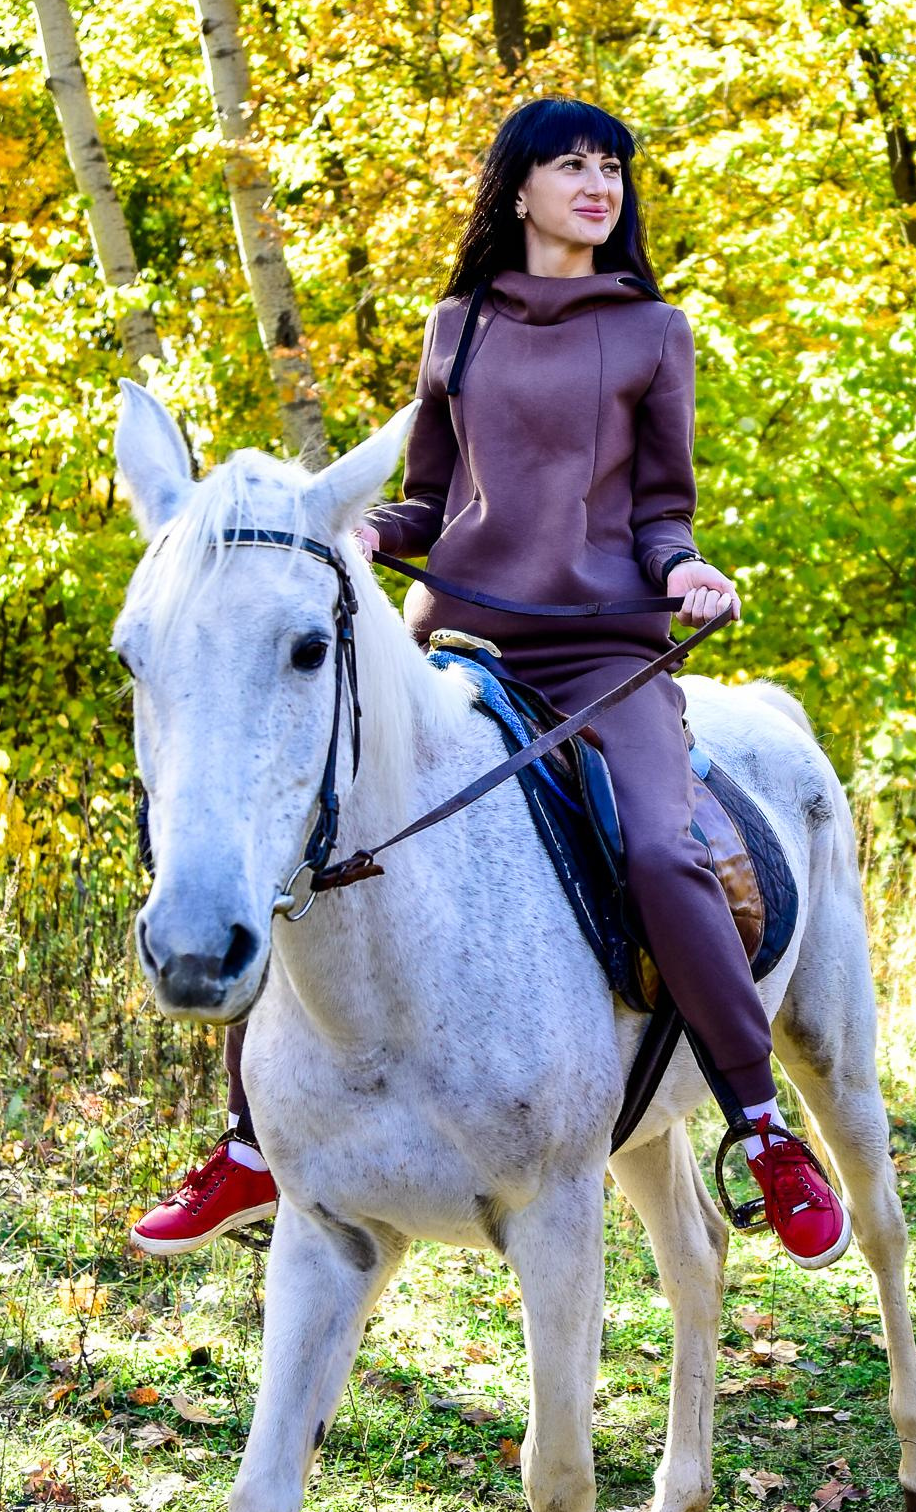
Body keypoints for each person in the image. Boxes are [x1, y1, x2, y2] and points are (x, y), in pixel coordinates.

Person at [131, 93, 852, 1269]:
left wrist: (690, 570)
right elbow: (429, 497)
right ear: (517, 190)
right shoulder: (455, 325)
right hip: (456, 638)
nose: (597, 184)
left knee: (667, 851)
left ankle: (762, 1128)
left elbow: (662, 510)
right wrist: (370, 534)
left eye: (611, 166)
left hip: (607, 654)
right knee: (297, 832)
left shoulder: (651, 332)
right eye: (570, 164)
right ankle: (252, 1142)